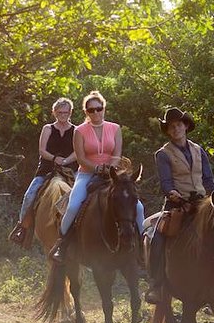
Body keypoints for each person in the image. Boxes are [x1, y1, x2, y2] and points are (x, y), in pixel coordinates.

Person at [144, 107, 214, 304]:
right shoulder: (163, 154)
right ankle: (156, 283)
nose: (175, 129)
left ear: (185, 126)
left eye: (178, 125)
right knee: (158, 236)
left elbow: (209, 179)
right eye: (171, 127)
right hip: (177, 204)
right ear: (168, 131)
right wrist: (178, 198)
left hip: (203, 203)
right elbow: (166, 183)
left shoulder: (199, 150)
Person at [49, 91, 145, 262]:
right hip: (86, 173)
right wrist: (96, 168)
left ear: (103, 109)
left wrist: (110, 168)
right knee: (73, 206)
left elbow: (117, 154)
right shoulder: (79, 131)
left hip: (112, 175)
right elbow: (80, 157)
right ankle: (62, 245)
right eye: (91, 110)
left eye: (98, 109)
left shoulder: (115, 128)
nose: (95, 113)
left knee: (138, 207)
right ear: (86, 112)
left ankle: (141, 247)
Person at [9, 97, 78, 247]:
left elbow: (78, 151)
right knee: (30, 194)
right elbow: (42, 150)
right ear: (54, 112)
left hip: (70, 170)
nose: (63, 115)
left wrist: (65, 161)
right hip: (47, 169)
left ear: (70, 112)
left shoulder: (76, 130)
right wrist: (55, 159)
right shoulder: (48, 128)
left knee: (85, 193)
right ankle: (23, 229)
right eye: (60, 112)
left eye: (66, 112)